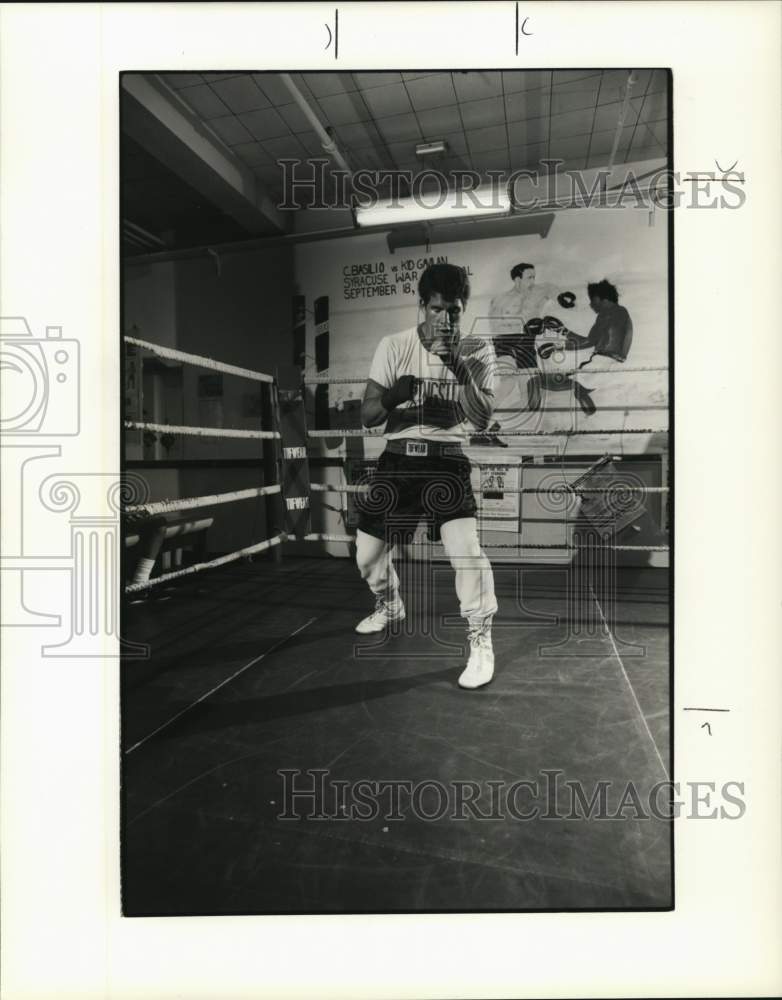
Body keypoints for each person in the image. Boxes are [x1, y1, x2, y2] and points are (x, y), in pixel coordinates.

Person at [354, 263, 498, 689]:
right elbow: (366, 416)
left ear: (463, 308)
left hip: (447, 461)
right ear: (422, 305)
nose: (447, 319)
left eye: (454, 310)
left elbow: (484, 417)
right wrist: (392, 397)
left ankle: (480, 638)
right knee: (366, 555)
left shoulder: (477, 349)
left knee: (466, 550)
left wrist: (457, 363)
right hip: (398, 460)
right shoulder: (394, 345)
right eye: (438, 309)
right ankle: (389, 602)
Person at [488, 263, 593, 414]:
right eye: (529, 277)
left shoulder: (540, 290)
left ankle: (496, 424)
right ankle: (480, 414)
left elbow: (554, 292)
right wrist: (520, 327)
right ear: (517, 280)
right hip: (504, 342)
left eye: (534, 277)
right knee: (508, 382)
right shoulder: (500, 299)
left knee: (531, 398)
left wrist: (564, 299)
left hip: (526, 344)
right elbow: (494, 326)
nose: (532, 281)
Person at [541, 279, 633, 369]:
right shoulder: (619, 312)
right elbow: (591, 340)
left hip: (604, 361)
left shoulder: (609, 313)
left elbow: (589, 342)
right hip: (608, 361)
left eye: (593, 300)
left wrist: (557, 346)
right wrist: (564, 332)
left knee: (550, 381)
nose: (591, 304)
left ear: (604, 299)